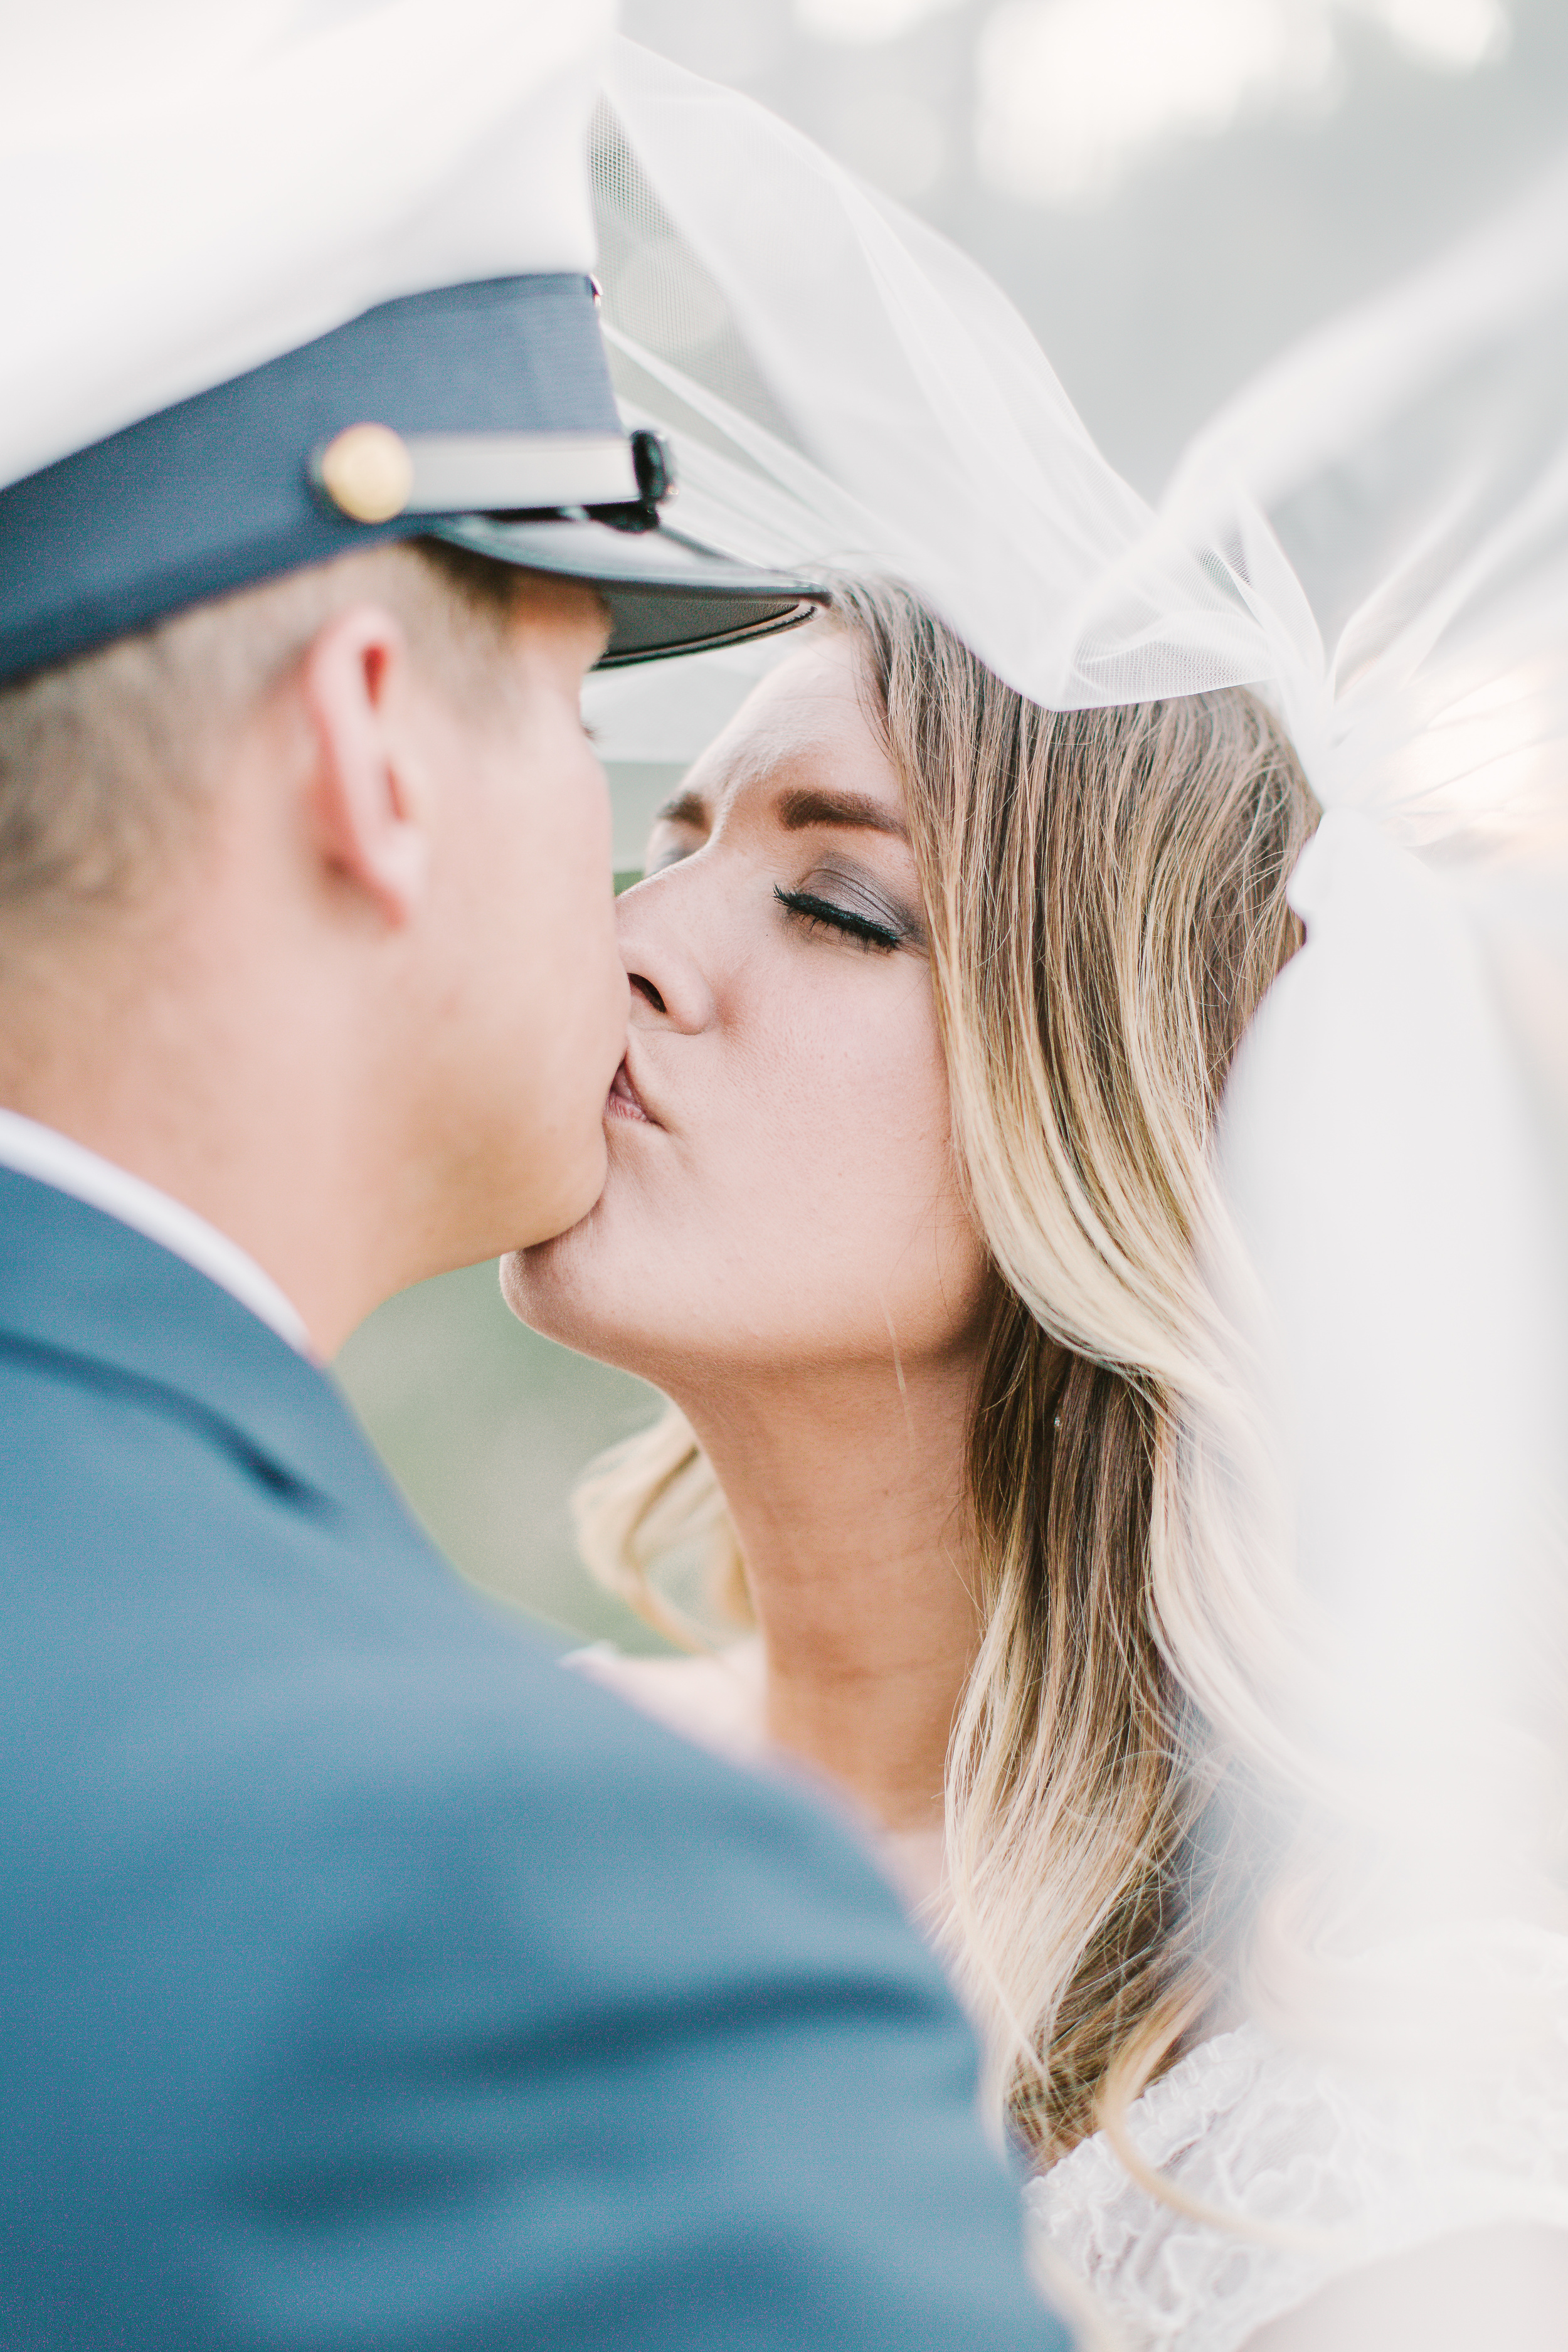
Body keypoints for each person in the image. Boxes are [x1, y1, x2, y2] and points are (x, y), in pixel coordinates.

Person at [0, 9, 1074, 2348]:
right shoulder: (533, 1913)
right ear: (375, 746)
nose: (627, 924)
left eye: (840, 900)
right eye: (582, 711)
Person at [509, 42, 1568, 2350]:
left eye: (841, 907)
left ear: (1121, 1125)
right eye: (674, 839)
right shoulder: (510, 1787)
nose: (632, 943)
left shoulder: (1377, 2103)